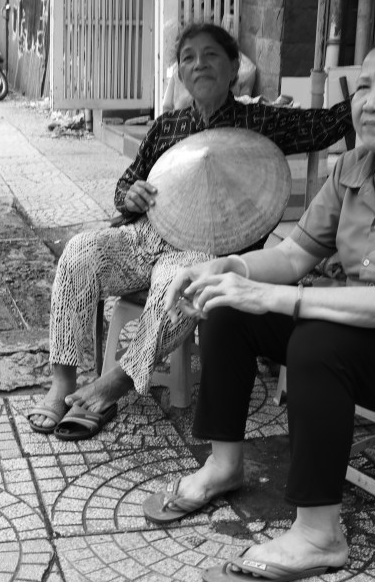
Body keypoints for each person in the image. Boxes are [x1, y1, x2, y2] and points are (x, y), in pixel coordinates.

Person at [150, 16, 375, 582]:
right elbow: (293, 256)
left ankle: (320, 534)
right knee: (229, 308)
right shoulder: (354, 167)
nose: (369, 102)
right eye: (364, 86)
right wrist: (230, 269)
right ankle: (223, 464)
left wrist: (275, 295)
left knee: (316, 339)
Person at [26, 22, 353, 439]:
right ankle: (63, 384)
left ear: (234, 66)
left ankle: (116, 382)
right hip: (146, 236)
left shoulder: (259, 120)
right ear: (180, 73)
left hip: (206, 250)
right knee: (80, 251)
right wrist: (132, 195)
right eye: (188, 58)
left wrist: (371, 94)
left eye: (211, 55)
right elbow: (125, 184)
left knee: (175, 286)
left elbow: (324, 124)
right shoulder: (167, 127)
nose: (199, 64)